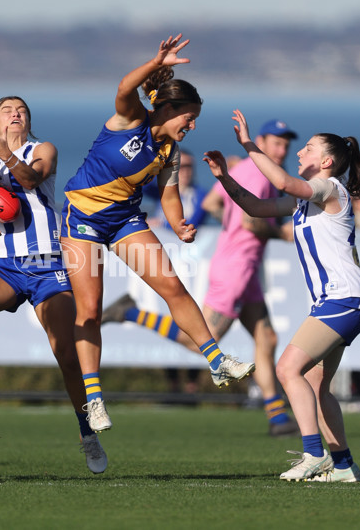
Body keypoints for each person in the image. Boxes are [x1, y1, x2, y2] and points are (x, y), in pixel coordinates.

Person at [60, 34, 255, 433]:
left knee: (173, 287)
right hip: (81, 217)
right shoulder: (129, 119)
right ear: (167, 108)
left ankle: (217, 361)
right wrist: (156, 61)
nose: (193, 124)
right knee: (90, 309)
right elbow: (124, 87)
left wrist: (180, 223)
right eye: (189, 116)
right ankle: (93, 398)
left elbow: (169, 197)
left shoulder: (171, 153)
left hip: (124, 220)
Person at [0, 96, 108, 474]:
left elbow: (30, 178)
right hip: (6, 264)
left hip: (47, 264)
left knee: (65, 354)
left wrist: (2, 154)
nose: (16, 113)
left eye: (21, 110)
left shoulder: (43, 149)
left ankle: (87, 434)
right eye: (7, 110)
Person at [204, 109, 360, 482]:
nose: (299, 152)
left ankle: (314, 455)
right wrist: (225, 178)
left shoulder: (330, 189)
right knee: (315, 385)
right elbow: (256, 207)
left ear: (326, 162)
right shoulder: (305, 202)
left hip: (342, 299)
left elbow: (282, 180)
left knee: (285, 368)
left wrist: (249, 144)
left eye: (308, 148)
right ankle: (343, 466)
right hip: (344, 301)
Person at [103, 120, 300, 436]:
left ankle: (277, 417)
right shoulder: (259, 173)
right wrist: (280, 232)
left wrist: (232, 224)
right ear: (259, 141)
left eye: (285, 144)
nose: (282, 149)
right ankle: (129, 312)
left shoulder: (248, 169)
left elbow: (216, 204)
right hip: (236, 270)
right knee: (201, 344)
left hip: (244, 269)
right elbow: (252, 223)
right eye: (276, 143)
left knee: (266, 338)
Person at [142, 149, 207, 395]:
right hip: (165, 262)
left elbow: (194, 222)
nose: (185, 172)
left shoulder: (199, 195)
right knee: (167, 314)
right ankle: (172, 385)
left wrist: (162, 224)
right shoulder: (163, 192)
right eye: (181, 167)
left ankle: (191, 386)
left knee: (194, 316)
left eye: (189, 167)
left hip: (193, 266)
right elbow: (137, 186)